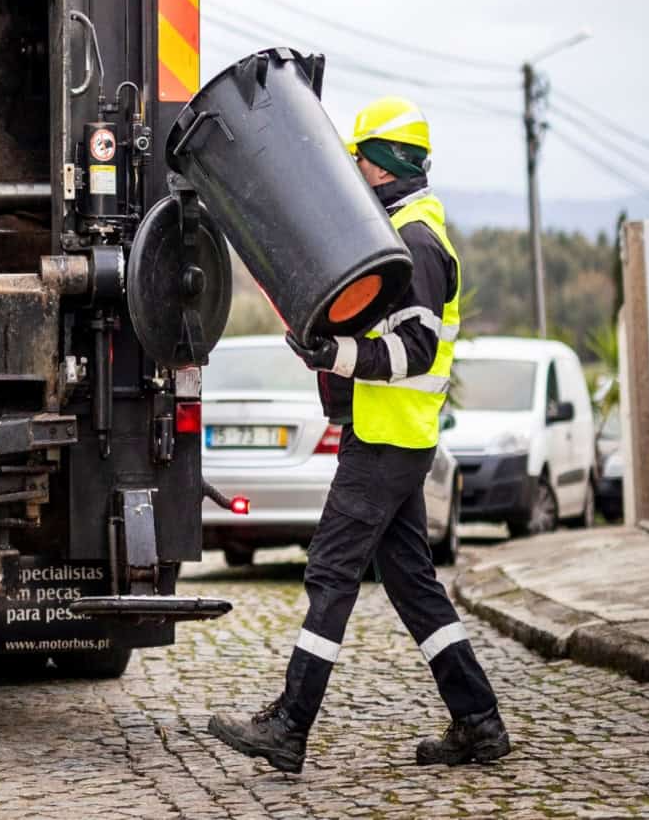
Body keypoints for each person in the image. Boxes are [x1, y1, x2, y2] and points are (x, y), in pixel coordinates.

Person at [207, 97, 510, 772]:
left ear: (390, 164)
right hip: (391, 437)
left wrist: (334, 357)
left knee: (329, 571)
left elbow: (417, 352)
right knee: (412, 586)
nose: (356, 173)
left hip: (386, 442)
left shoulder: (419, 242)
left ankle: (289, 725)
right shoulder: (402, 230)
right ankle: (479, 723)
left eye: (363, 161)